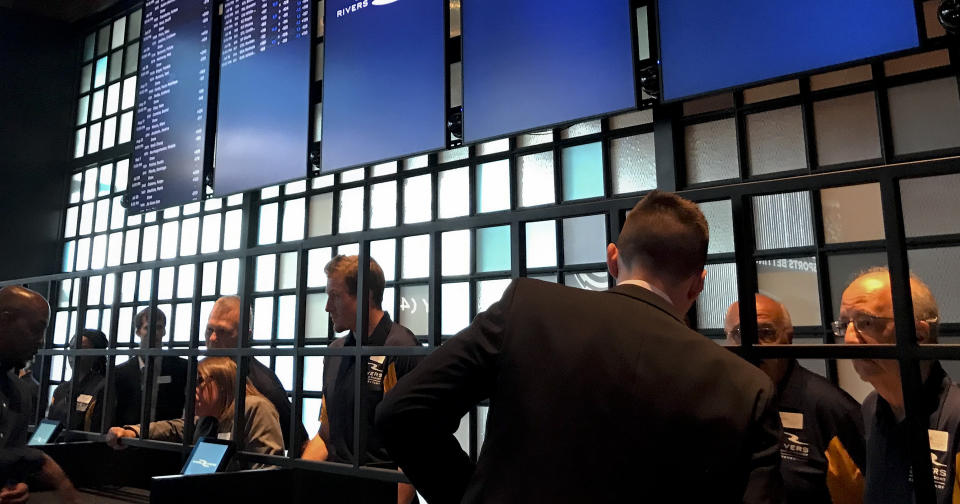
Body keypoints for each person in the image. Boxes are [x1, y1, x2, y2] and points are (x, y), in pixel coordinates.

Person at [376, 190, 784, 504]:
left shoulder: (529, 308)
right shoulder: (746, 388)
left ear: (612, 259)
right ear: (699, 282)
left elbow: (402, 411)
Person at [302, 255, 419, 504]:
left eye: (335, 296)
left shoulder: (400, 349)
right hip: (339, 487)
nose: (327, 307)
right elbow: (326, 434)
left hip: (384, 491)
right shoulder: (335, 353)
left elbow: (416, 452)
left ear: (365, 296)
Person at [725, 295, 865, 503]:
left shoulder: (829, 406)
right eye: (740, 333)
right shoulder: (722, 399)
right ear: (727, 340)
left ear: (788, 338)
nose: (754, 345)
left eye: (766, 333)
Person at [838, 267, 960, 503]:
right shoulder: (871, 406)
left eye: (866, 323)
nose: (849, 339)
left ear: (919, 334)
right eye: (845, 325)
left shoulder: (955, 417)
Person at [107, 357, 283, 467]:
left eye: (200, 381)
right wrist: (134, 431)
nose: (192, 389)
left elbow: (266, 471)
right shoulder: (209, 419)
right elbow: (176, 427)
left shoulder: (253, 407)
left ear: (222, 384)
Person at [0, 286, 79, 503]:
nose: (42, 341)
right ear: (4, 321)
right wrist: (37, 459)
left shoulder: (20, 392)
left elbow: (9, 461)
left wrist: (16, 486)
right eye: (36, 329)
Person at [204, 295, 307, 451]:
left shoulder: (265, 386)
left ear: (246, 335)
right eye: (209, 329)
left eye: (223, 331)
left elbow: (301, 444)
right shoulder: (204, 375)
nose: (212, 338)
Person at [113, 308, 188, 426]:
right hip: (128, 437)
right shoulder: (120, 372)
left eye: (159, 328)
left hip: (168, 438)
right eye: (148, 328)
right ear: (138, 332)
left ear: (164, 331)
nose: (155, 333)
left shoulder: (182, 368)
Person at [48, 329, 109, 433]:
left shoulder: (102, 387)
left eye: (81, 348)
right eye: (71, 347)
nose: (73, 353)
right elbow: (48, 426)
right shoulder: (61, 389)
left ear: (96, 354)